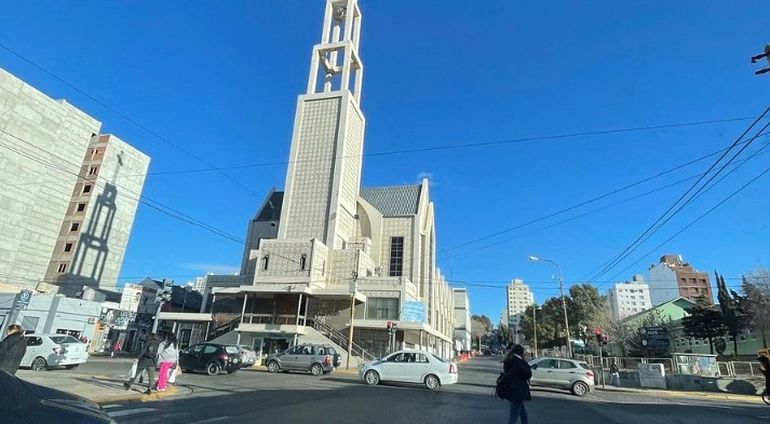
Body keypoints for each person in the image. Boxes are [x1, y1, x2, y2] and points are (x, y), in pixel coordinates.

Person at [502, 344, 531, 424]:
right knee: (514, 415)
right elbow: (528, 373)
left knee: (523, 413)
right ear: (520, 352)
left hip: (513, 390)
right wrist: (525, 361)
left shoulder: (510, 359)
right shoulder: (517, 361)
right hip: (518, 391)